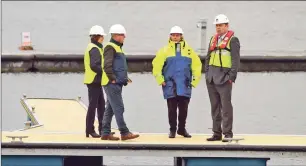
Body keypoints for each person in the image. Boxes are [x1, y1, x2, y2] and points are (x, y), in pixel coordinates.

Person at [152, 26, 202, 138]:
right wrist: (160, 80)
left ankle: (182, 129)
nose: (175, 37)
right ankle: (172, 130)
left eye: (177, 35)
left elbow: (197, 66)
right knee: (172, 109)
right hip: (170, 84)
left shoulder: (189, 51)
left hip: (185, 84)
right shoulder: (164, 50)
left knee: (184, 109)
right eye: (173, 35)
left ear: (181, 36)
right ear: (170, 36)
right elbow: (156, 66)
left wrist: (194, 81)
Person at [205, 14, 240, 142]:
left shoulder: (233, 40)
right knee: (214, 107)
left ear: (227, 26)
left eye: (220, 25)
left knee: (226, 106)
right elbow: (208, 57)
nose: (218, 28)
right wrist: (207, 73)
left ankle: (228, 133)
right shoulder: (212, 39)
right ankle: (216, 133)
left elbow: (235, 60)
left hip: (225, 77)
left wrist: (232, 77)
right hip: (211, 78)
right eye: (217, 26)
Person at [101, 24, 140, 141]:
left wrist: (124, 77)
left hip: (116, 82)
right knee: (119, 108)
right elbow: (107, 65)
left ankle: (105, 133)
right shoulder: (110, 47)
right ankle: (124, 132)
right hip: (112, 83)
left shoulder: (117, 47)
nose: (124, 37)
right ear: (116, 36)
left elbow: (118, 66)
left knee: (110, 108)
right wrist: (113, 78)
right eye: (123, 35)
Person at [84, 25, 107, 138]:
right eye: (102, 36)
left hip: (95, 81)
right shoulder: (94, 48)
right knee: (94, 106)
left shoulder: (95, 47)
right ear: (97, 37)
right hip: (94, 81)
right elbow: (94, 66)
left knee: (101, 105)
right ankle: (90, 130)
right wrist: (105, 72)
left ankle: (102, 129)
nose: (103, 38)